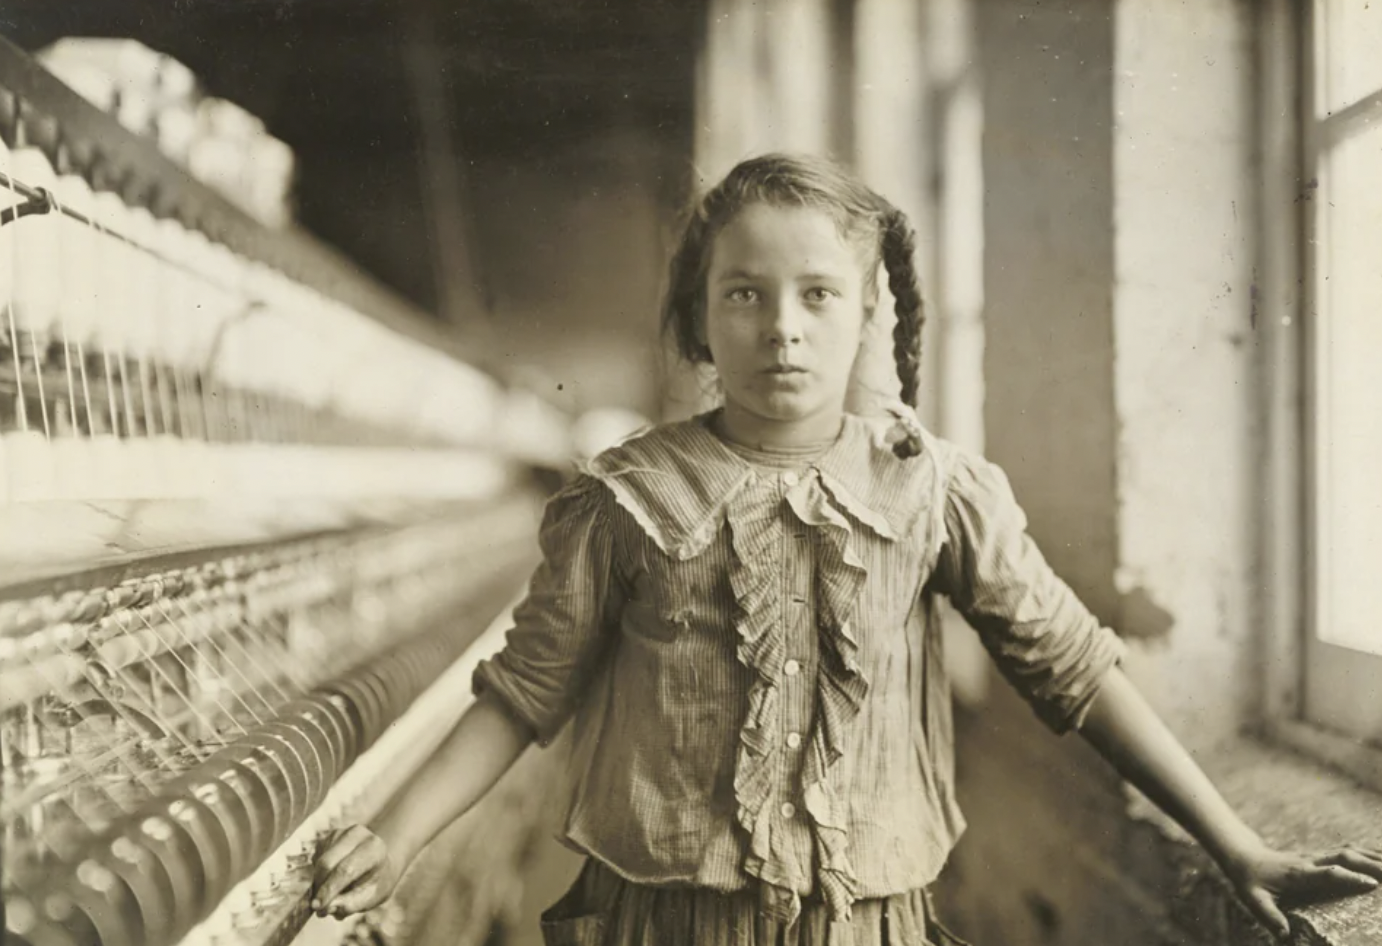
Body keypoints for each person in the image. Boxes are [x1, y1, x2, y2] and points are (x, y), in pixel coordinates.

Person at [311, 154, 1382, 945]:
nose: (782, 327)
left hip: (865, 925)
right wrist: (395, 838)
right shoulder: (623, 500)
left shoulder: (934, 490)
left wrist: (1232, 840)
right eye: (745, 294)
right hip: (667, 924)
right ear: (696, 318)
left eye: (817, 296)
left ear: (868, 314)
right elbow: (520, 693)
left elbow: (1075, 668)